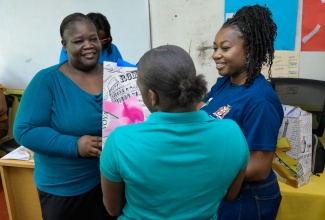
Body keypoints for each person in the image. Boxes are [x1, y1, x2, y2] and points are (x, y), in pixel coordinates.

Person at [100, 45, 250, 219]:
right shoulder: (232, 134)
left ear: (152, 96)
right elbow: (230, 195)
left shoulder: (120, 141)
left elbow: (113, 209)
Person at [14, 13, 115, 220]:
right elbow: (25, 130)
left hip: (112, 182)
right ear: (64, 44)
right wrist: (75, 145)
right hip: (65, 190)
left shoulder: (116, 77)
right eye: (78, 41)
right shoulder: (47, 80)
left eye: (93, 38)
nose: (88, 45)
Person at [199, 5, 284, 220]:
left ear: (250, 49)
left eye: (225, 48)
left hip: (248, 201)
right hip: (223, 191)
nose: (216, 55)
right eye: (215, 47)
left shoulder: (260, 100)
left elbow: (258, 168)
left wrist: (202, 168)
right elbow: (202, 109)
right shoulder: (224, 84)